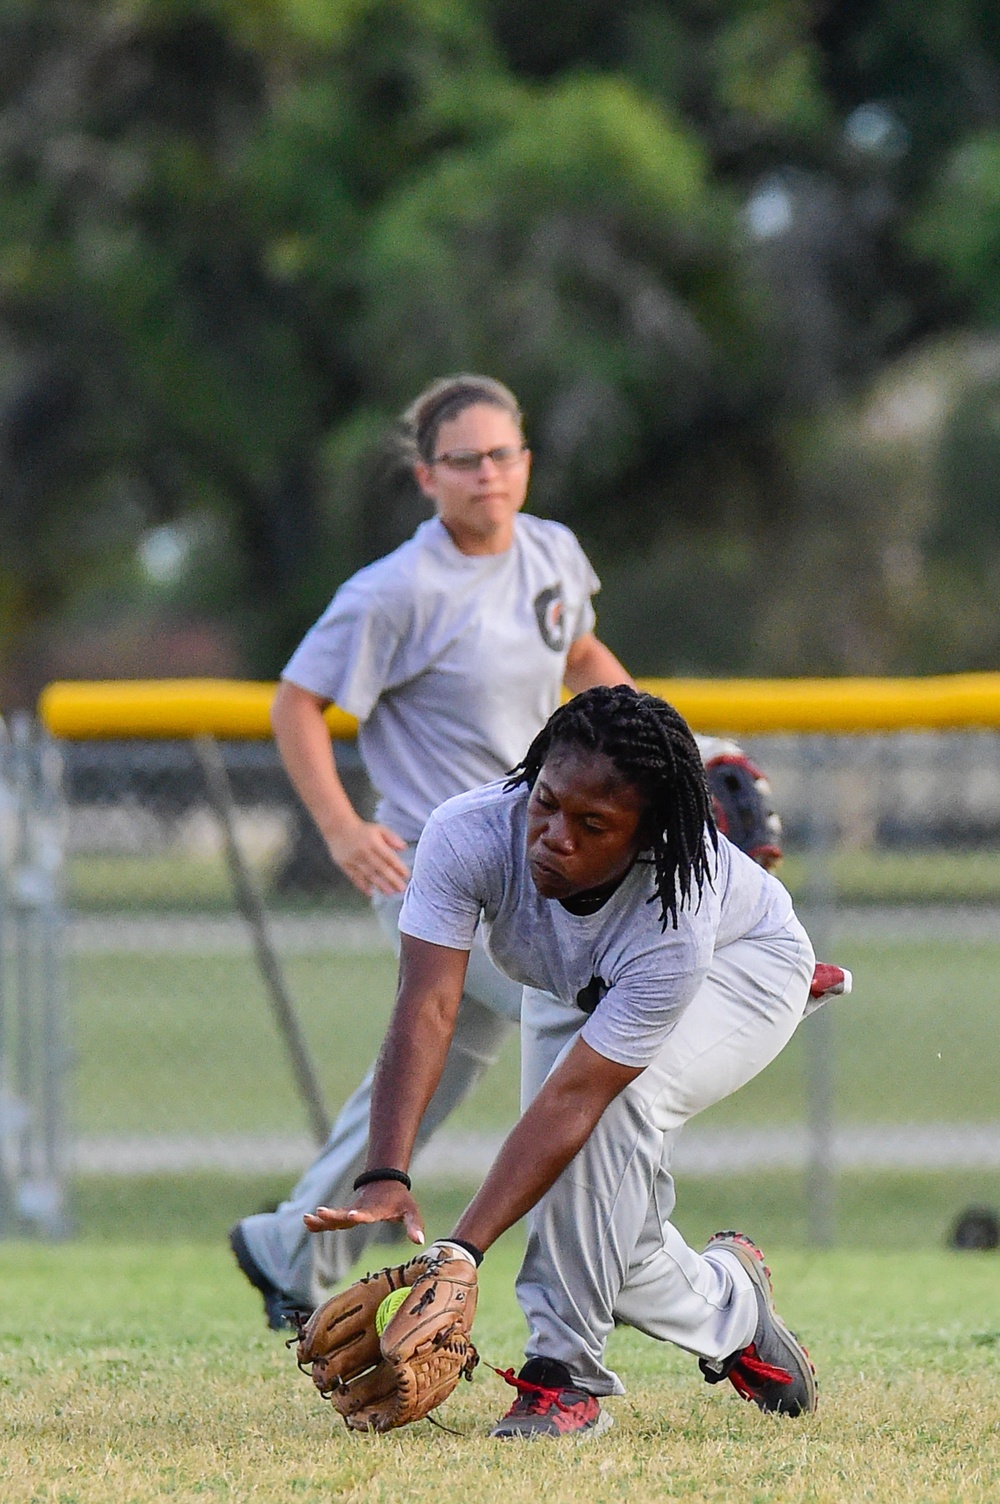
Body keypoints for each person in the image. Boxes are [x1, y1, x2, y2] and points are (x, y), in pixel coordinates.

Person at [304, 686, 821, 1438]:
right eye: (547, 800)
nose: (553, 835)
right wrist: (386, 1175)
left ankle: (563, 1378)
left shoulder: (677, 906)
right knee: (609, 1231)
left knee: (610, 1116)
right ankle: (731, 1307)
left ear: (645, 838)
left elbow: (577, 1100)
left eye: (593, 824)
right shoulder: (469, 832)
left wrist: (461, 1252)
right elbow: (427, 1007)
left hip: (743, 969)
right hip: (578, 980)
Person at [230, 374, 633, 1325]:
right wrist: (338, 828)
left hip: (529, 862)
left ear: (526, 464)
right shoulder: (396, 590)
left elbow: (578, 656)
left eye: (504, 455)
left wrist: (664, 739)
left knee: (435, 1074)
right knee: (575, 1016)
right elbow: (296, 703)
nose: (488, 475)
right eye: (465, 460)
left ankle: (289, 1242)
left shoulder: (553, 552)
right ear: (427, 477)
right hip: (434, 865)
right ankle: (579, 1282)